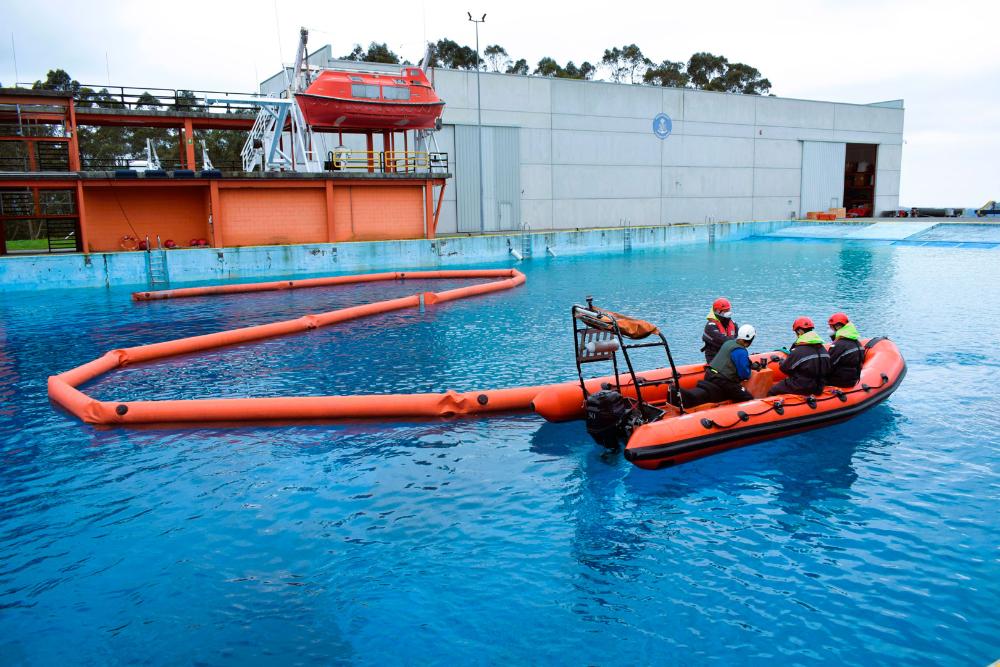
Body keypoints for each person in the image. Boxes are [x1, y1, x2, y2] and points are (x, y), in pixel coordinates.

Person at [676, 324, 757, 408]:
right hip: (723, 381)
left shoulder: (728, 343)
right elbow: (744, 374)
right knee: (747, 398)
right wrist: (749, 371)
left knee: (727, 393)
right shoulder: (741, 351)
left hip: (709, 374)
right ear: (750, 339)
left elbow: (729, 359)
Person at [769, 317, 831, 396]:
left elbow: (784, 368)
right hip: (819, 388)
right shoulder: (823, 349)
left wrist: (781, 362)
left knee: (772, 390)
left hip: (802, 387)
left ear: (800, 331)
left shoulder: (799, 350)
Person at [826, 312, 863, 388]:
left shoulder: (839, 345)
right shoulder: (857, 343)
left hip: (840, 381)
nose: (829, 330)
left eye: (831, 327)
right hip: (853, 379)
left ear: (838, 327)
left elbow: (828, 365)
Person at [701, 297, 738, 363]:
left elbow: (737, 337)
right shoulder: (710, 326)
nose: (728, 312)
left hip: (729, 356)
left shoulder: (733, 324)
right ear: (717, 311)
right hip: (715, 358)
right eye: (725, 311)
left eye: (728, 310)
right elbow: (723, 340)